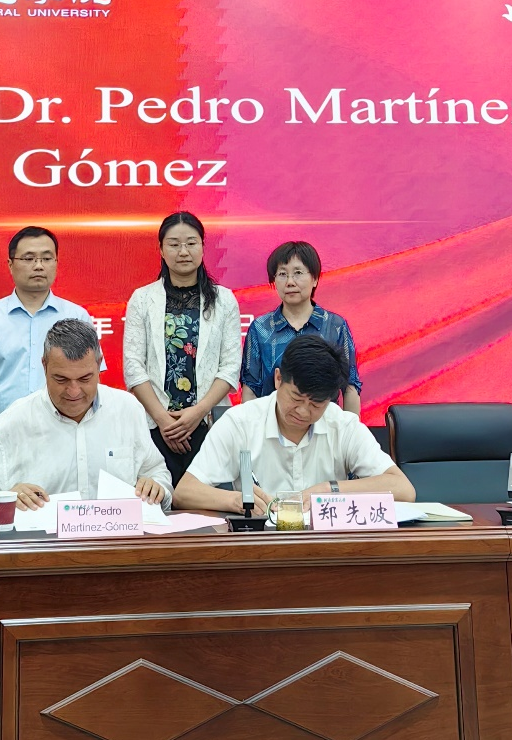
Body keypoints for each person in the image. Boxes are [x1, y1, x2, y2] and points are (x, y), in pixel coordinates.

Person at [0, 319, 171, 515]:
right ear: (44, 366)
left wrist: (155, 486)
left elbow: (156, 472)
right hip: (41, 544)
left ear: (99, 365)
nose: (74, 391)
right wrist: (6, 498)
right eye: (61, 379)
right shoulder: (13, 422)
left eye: (85, 378)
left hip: (117, 540)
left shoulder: (127, 409)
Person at [175, 335, 413, 514]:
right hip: (261, 546)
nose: (303, 412)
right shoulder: (240, 422)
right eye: (296, 398)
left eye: (316, 404)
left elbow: (403, 489)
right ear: (278, 379)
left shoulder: (343, 425)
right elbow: (184, 492)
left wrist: (328, 490)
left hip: (327, 545)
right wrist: (236, 501)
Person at [0, 226, 98, 462]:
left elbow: (91, 379)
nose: (38, 266)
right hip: (2, 436)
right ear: (10, 265)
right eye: (29, 258)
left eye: (46, 258)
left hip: (64, 435)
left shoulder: (77, 316)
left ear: (56, 263)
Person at [123, 212, 242, 485]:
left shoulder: (224, 300)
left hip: (208, 422)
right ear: (161, 250)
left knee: (209, 501)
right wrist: (164, 421)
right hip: (156, 426)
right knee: (157, 499)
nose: (183, 251)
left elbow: (230, 368)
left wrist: (196, 413)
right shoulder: (142, 299)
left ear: (203, 246)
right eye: (174, 244)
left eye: (191, 243)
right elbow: (133, 367)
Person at [241, 241, 363, 412]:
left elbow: (350, 388)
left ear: (315, 279)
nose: (290, 282)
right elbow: (250, 389)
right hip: (273, 422)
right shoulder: (261, 328)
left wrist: (351, 428)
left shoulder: (335, 326)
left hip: (323, 422)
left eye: (298, 273)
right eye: (282, 274)